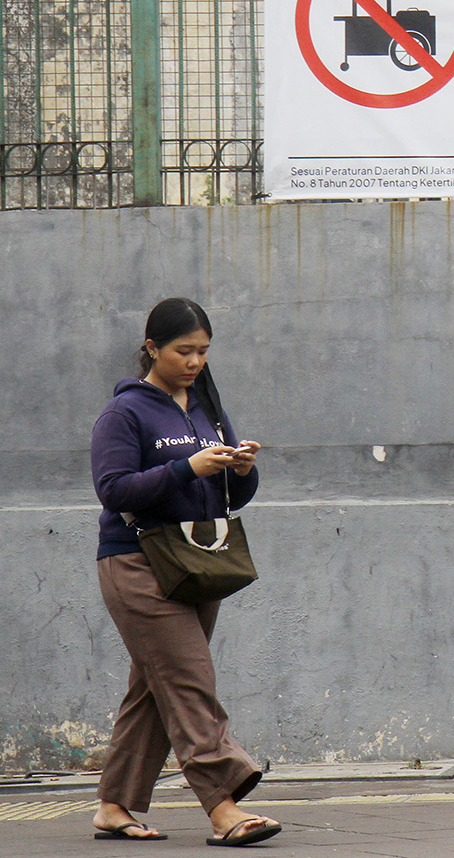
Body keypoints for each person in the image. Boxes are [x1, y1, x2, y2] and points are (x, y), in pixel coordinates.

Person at [89, 297, 281, 847]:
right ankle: (223, 807)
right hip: (137, 561)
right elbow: (114, 489)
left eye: (203, 351)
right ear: (152, 348)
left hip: (197, 559)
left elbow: (231, 496)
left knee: (156, 686)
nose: (195, 361)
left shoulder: (205, 408)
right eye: (183, 350)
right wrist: (184, 467)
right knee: (189, 680)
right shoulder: (124, 413)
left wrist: (241, 470)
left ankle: (114, 806)